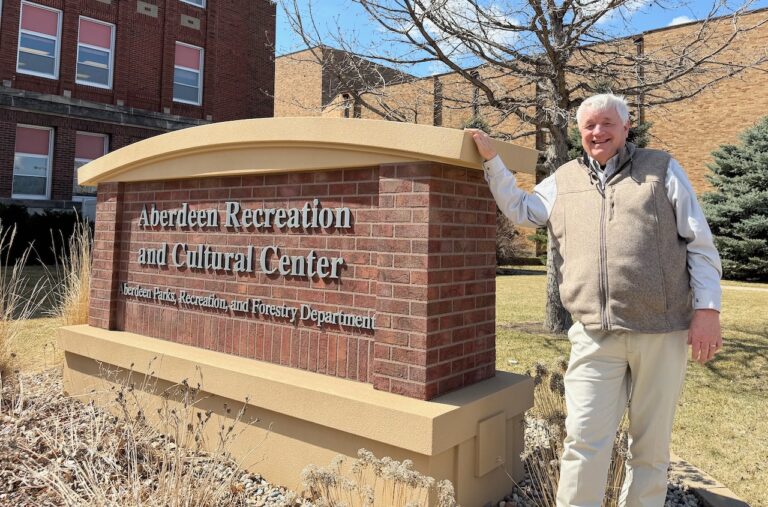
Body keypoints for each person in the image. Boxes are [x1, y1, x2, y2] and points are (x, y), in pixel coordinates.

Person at [470, 93, 722, 507]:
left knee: (650, 448)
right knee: (583, 441)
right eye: (589, 126)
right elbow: (521, 209)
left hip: (660, 332)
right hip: (592, 334)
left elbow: (699, 244)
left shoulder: (662, 169)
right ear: (579, 133)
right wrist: (493, 162)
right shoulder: (564, 178)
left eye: (607, 123)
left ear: (626, 128)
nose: (597, 132)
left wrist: (708, 310)